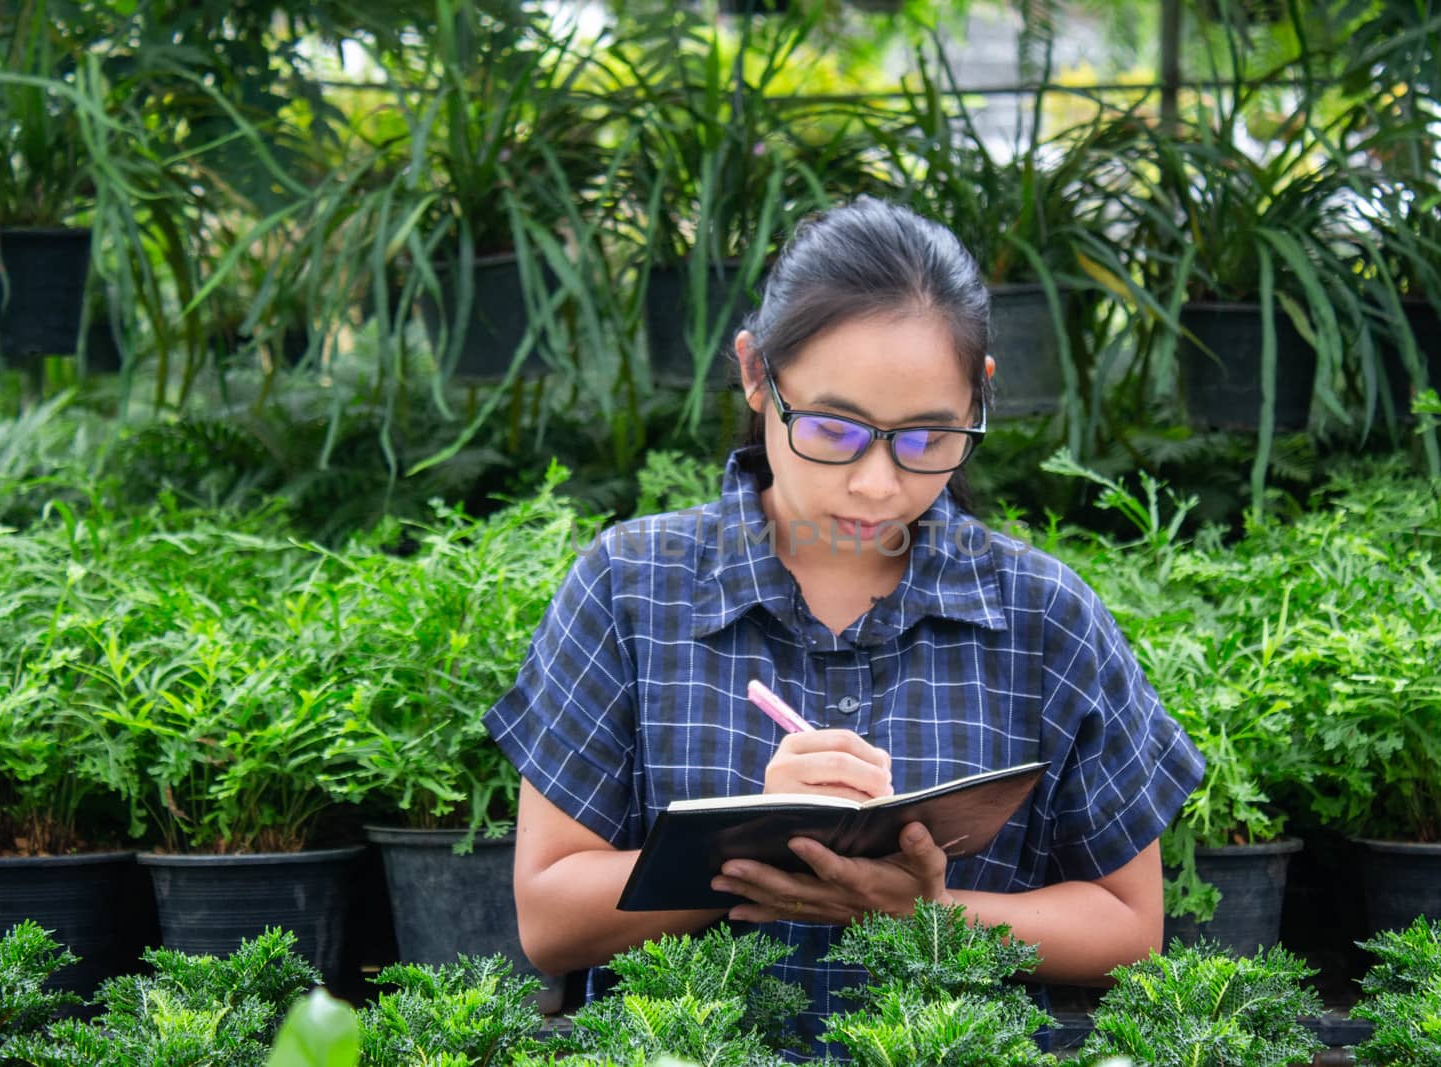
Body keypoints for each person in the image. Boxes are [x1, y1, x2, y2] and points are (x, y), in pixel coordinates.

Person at [484, 195, 1204, 1052]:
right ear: (757, 375)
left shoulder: (1043, 614)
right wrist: (761, 832)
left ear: (980, 396)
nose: (875, 482)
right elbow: (549, 914)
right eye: (833, 428)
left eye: (927, 437)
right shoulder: (631, 587)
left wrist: (929, 913)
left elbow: (1130, 926)